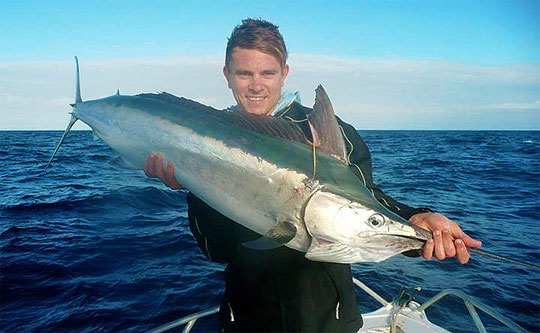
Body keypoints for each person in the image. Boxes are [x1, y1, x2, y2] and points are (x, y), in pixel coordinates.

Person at [144, 18, 482, 332]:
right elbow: (213, 249)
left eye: (268, 73)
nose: (256, 86)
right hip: (245, 320)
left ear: (285, 72)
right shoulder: (207, 135)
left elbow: (365, 203)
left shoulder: (338, 136)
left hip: (328, 322)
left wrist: (416, 220)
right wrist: (190, 182)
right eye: (244, 74)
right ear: (227, 74)